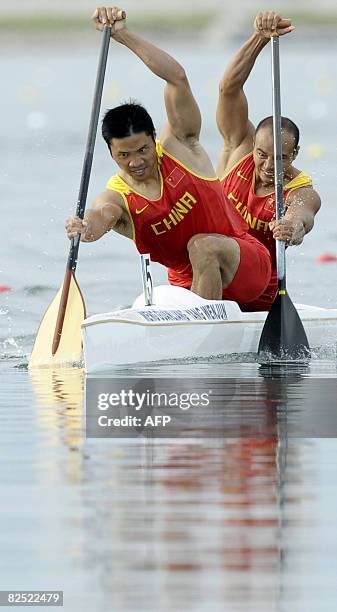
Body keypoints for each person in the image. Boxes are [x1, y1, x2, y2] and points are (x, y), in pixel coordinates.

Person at [66, 6, 272, 305]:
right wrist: (83, 228)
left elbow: (176, 78)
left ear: (154, 136)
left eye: (142, 150)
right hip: (187, 286)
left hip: (246, 266)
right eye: (123, 155)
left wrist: (122, 34)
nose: (135, 162)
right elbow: (99, 219)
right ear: (111, 152)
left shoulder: (180, 145)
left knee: (202, 247)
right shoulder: (117, 199)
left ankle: (203, 325)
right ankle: (199, 321)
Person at [216, 10, 321, 311]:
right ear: (253, 147)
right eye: (262, 155)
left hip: (259, 290)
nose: (268, 166)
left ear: (295, 155)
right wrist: (258, 40)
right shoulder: (238, 148)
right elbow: (228, 89)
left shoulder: (301, 191)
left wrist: (290, 226)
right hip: (212, 269)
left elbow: (303, 217)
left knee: (206, 248)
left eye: (281, 157)